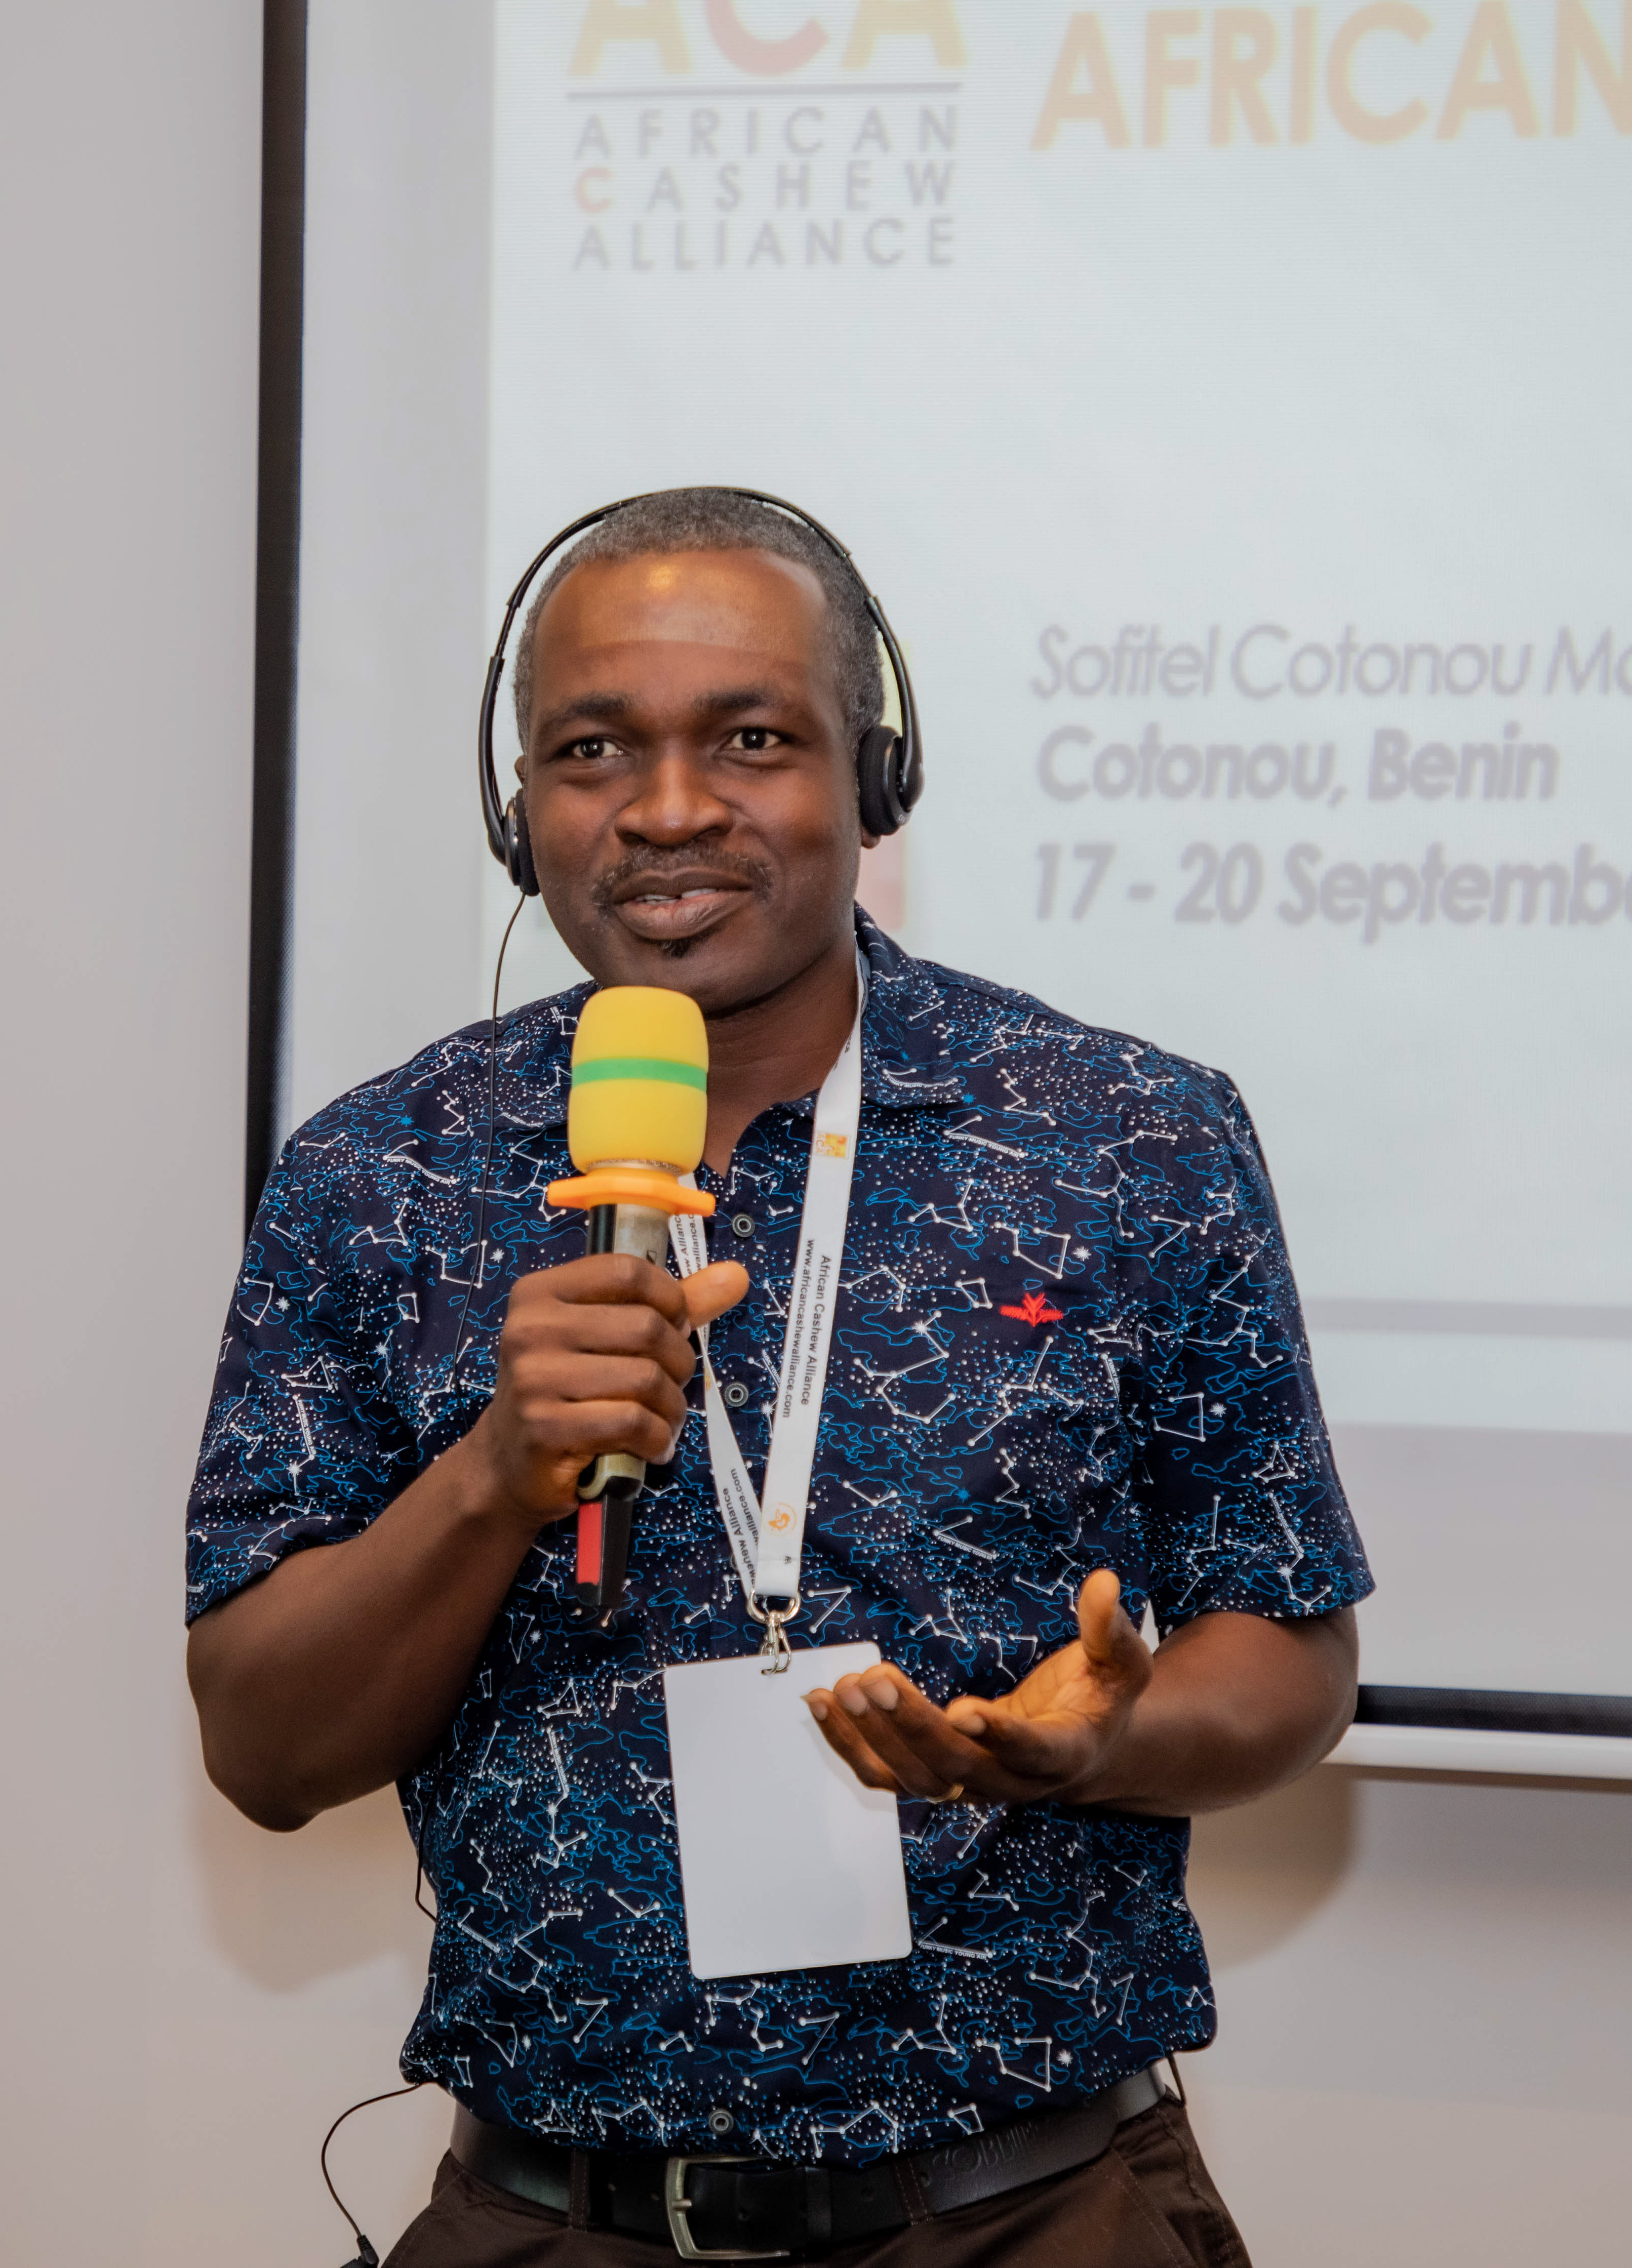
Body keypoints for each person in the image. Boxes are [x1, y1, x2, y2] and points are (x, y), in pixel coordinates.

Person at [187, 488, 1371, 2264]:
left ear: (874, 778)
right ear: (518, 811)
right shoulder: (379, 1176)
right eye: (593, 749)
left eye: (750, 739)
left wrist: (1102, 1748)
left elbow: (1289, 1651)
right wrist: (491, 1478)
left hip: (1031, 2211)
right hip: (555, 2220)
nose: (668, 809)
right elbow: (264, 1748)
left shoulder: (1130, 1137)